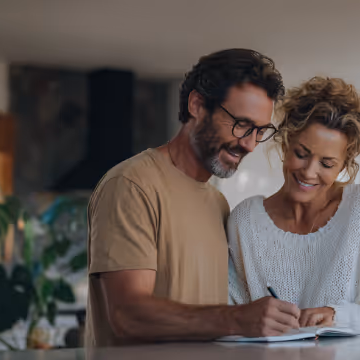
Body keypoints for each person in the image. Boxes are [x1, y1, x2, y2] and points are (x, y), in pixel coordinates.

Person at [85, 49, 301, 347]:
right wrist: (237, 319)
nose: (250, 144)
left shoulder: (218, 203)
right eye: (241, 124)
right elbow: (127, 316)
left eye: (260, 131)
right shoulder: (132, 185)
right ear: (197, 105)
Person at [228, 76, 360, 334]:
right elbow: (228, 313)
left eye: (327, 164)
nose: (309, 172)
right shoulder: (245, 220)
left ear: (344, 164)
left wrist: (337, 316)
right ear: (285, 143)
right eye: (301, 154)